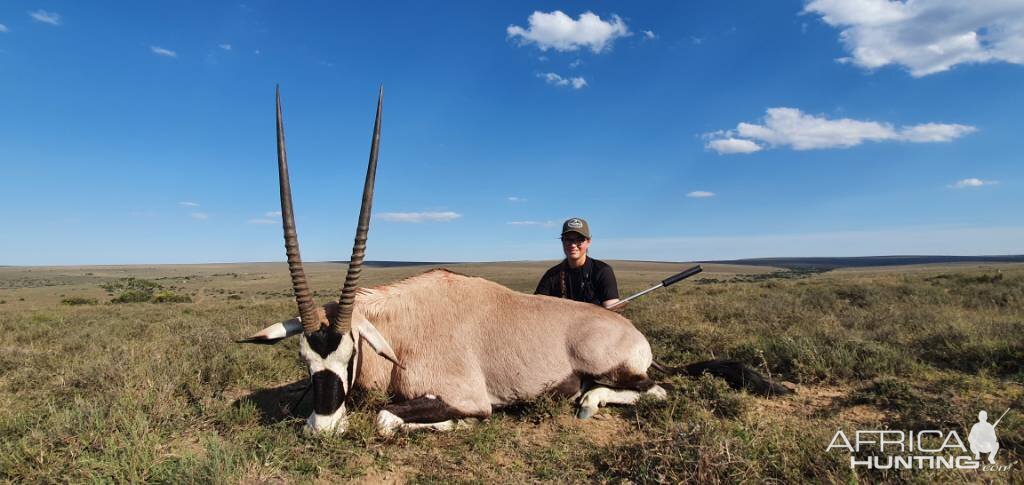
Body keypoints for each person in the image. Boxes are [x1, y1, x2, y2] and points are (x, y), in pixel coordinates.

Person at [535, 217, 621, 309]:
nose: (573, 245)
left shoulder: (602, 271)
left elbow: (613, 311)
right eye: (568, 239)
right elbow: (537, 307)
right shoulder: (551, 275)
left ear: (588, 242)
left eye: (579, 239)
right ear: (562, 241)